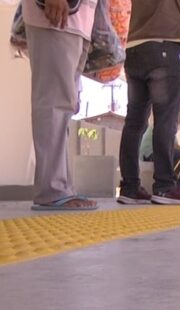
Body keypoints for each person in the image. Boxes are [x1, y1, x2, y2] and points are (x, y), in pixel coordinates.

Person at [117, 0, 180, 205]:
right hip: (164, 45)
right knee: (166, 120)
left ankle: (130, 187)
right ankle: (164, 186)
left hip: (134, 47)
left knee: (134, 123)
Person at [24, 0, 99, 210]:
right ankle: (52, 190)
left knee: (63, 106)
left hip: (77, 20)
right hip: (57, 16)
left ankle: (61, 186)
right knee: (53, 102)